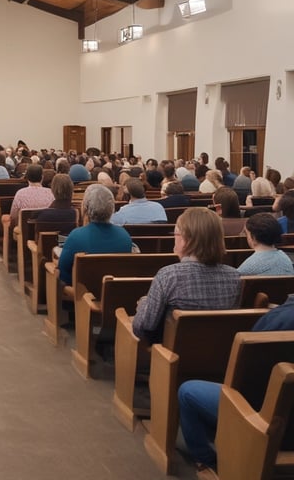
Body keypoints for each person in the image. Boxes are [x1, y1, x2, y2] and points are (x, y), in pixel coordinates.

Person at [179, 295, 294, 475]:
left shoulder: (279, 318)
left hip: (273, 425)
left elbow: (247, 373)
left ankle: (210, 461)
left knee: (187, 392)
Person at [132, 207, 240, 343]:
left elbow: (144, 327)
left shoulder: (168, 276)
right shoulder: (235, 277)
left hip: (170, 358)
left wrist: (143, 305)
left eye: (176, 234)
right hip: (219, 356)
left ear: (186, 239)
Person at [58, 184, 133, 285]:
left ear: (86, 208)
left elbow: (63, 270)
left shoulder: (76, 236)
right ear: (112, 208)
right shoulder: (124, 235)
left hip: (82, 294)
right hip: (113, 292)